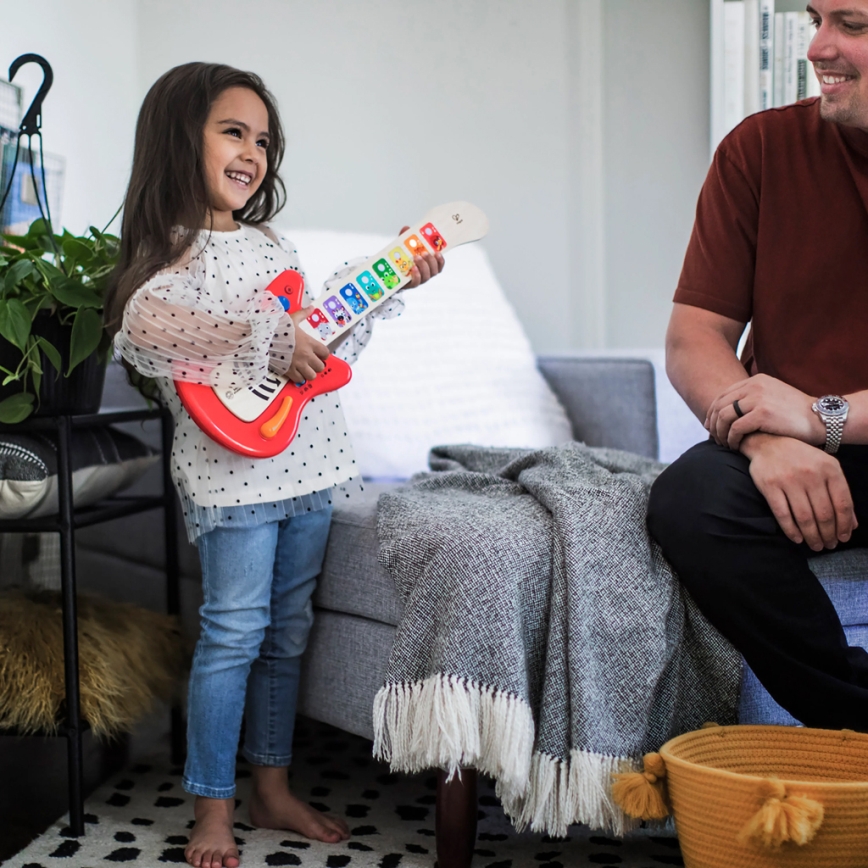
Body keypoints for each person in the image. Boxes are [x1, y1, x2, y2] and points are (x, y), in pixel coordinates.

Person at [104, 62, 444, 868]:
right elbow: (159, 333)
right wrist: (269, 337)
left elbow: (314, 351)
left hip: (312, 471)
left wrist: (385, 280)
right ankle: (212, 806)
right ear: (175, 139)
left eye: (262, 138)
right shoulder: (165, 263)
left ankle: (273, 784)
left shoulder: (271, 245)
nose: (252, 151)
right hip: (233, 484)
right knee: (232, 637)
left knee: (286, 638)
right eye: (233, 131)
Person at [647, 0, 868, 734]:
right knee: (692, 498)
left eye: (853, 25)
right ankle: (852, 722)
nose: (819, 48)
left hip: (832, 427)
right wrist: (766, 439)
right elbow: (694, 338)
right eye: (816, 20)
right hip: (795, 447)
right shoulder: (760, 150)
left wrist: (819, 419)